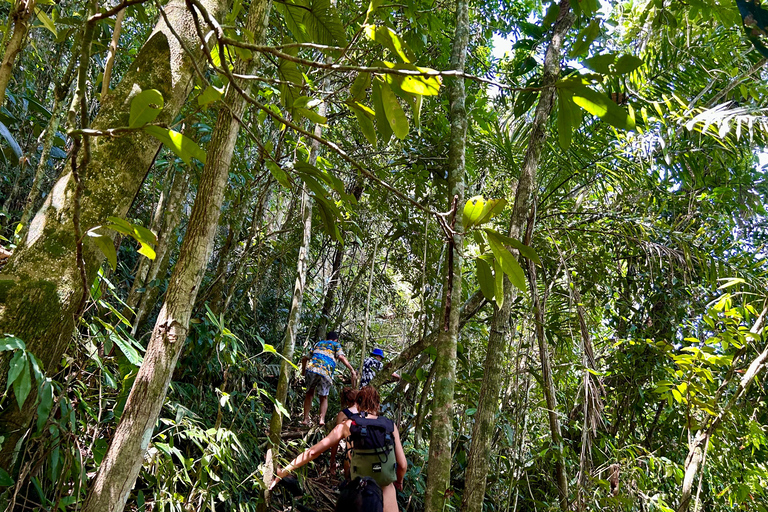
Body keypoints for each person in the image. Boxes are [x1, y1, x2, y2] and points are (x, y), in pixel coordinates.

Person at [270, 387, 407, 512]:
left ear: (357, 405)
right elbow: (403, 465)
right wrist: (398, 481)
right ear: (378, 405)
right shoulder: (390, 426)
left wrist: (283, 472)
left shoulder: (347, 425)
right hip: (386, 489)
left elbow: (313, 452)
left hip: (358, 493)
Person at [301, 331, 356, 426]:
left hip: (312, 369)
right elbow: (341, 357)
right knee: (324, 396)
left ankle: (305, 419)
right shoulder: (336, 344)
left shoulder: (318, 343)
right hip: (325, 371)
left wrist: (303, 371)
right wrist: (352, 370)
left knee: (309, 394)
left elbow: (305, 358)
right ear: (336, 339)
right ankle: (321, 420)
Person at [329, 387, 358, 476]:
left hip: (351, 452)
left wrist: (332, 460)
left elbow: (336, 439)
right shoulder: (367, 412)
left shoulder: (344, 414)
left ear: (347, 401)